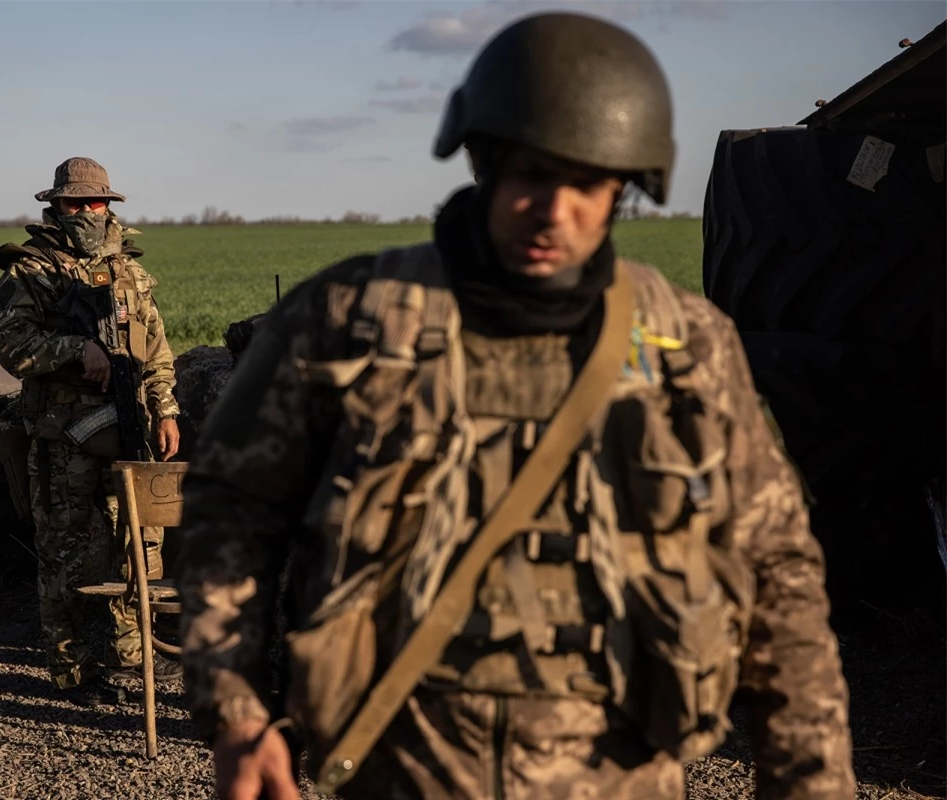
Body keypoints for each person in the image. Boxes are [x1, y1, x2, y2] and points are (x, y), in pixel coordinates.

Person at [176, 12, 856, 800]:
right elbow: (231, 514)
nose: (553, 209)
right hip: (398, 770)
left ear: (625, 189)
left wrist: (809, 780)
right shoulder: (349, 319)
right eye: (532, 174)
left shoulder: (687, 348)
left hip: (621, 777)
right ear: (485, 161)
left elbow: (777, 573)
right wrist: (234, 712)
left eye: (588, 182)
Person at [0, 156, 183, 707]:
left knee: (139, 547)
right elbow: (10, 344)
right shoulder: (29, 271)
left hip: (130, 429)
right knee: (65, 554)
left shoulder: (130, 272)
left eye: (94, 202)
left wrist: (165, 409)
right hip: (63, 435)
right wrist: (76, 349)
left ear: (109, 205)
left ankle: (131, 655)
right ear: (54, 205)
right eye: (73, 203)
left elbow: (157, 350)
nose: (85, 212)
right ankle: (72, 671)